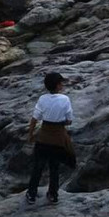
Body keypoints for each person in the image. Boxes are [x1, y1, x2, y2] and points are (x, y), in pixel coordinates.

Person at [26, 71, 74, 206]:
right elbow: (69, 120)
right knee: (54, 167)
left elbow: (35, 119)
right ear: (58, 85)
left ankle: (31, 194)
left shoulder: (42, 99)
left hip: (44, 136)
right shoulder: (65, 99)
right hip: (58, 137)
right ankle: (53, 195)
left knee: (38, 167)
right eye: (61, 83)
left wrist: (30, 135)